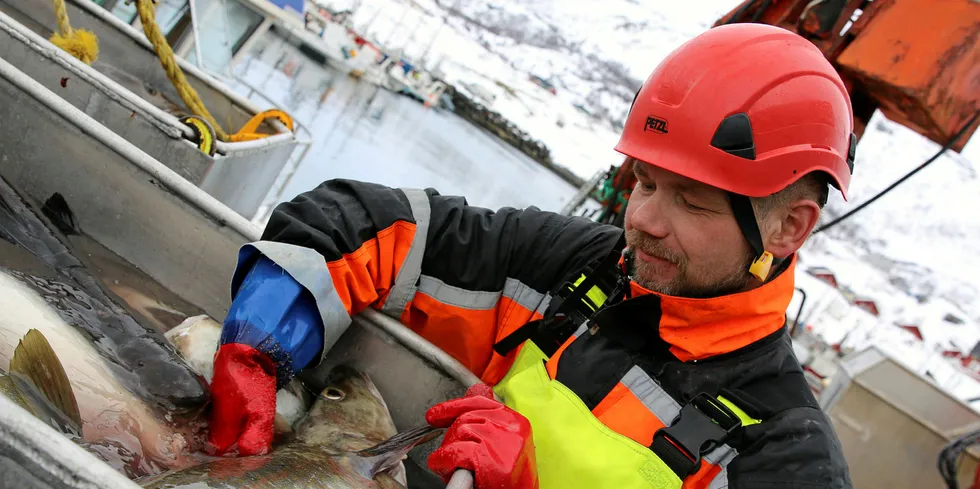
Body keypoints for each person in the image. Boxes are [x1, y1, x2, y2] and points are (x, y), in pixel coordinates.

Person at [207, 23, 856, 489]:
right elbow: (370, 223)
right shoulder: (579, 271)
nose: (644, 221)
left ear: (788, 228)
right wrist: (266, 333)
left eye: (693, 201)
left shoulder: (781, 454)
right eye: (646, 182)